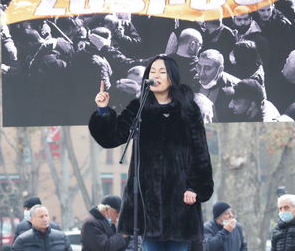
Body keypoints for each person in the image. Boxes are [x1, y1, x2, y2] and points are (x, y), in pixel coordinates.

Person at [89, 55, 214, 251]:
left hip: (180, 198)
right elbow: (113, 137)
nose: (155, 75)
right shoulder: (139, 108)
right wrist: (103, 110)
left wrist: (195, 187)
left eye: (161, 72)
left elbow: (201, 153)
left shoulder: (188, 109)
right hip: (148, 200)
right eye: (152, 72)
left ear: (172, 77)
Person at [197, 49, 240, 122]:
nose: (201, 73)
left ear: (220, 70)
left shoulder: (237, 88)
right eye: (199, 67)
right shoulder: (192, 81)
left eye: (207, 68)